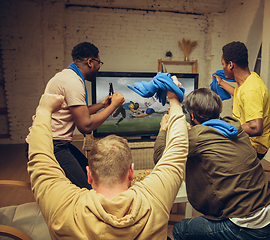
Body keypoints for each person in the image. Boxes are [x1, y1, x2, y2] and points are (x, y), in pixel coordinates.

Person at [27, 89, 188, 239]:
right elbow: (177, 148)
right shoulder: (155, 197)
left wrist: (44, 110)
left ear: (89, 174)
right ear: (131, 172)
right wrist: (174, 101)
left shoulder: (63, 205)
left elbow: (40, 157)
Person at [153, 88, 270, 240]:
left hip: (246, 228)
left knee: (180, 229)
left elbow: (161, 158)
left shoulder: (197, 136)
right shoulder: (233, 127)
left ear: (192, 115)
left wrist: (164, 129)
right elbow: (207, 136)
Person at [26, 42, 125, 189]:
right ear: (91, 62)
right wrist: (113, 106)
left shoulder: (67, 76)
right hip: (51, 145)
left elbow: (77, 112)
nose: (99, 67)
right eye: (99, 63)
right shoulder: (73, 82)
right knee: (86, 188)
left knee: (91, 175)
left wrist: (102, 105)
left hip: (55, 142)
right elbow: (85, 125)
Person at [214, 41, 270, 160]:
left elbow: (255, 127)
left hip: (253, 147)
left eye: (223, 64)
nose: (223, 68)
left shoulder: (251, 89)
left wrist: (224, 127)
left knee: (212, 153)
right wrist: (221, 83)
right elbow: (241, 95)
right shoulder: (249, 79)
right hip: (245, 140)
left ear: (230, 65)